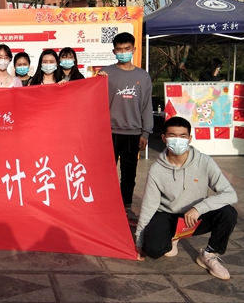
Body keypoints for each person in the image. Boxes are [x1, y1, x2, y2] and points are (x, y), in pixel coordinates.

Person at [135, 116, 238, 280]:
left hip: (196, 216)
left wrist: (199, 208)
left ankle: (209, 254)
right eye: (172, 135)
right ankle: (173, 237)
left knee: (228, 213)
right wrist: (139, 241)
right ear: (164, 138)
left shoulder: (204, 162)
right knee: (153, 250)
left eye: (182, 136)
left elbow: (230, 194)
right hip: (169, 215)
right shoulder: (156, 170)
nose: (178, 140)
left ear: (190, 138)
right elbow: (149, 205)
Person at [99, 32, 153, 225]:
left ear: (134, 49)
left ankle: (126, 207)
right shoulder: (105, 73)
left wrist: (146, 132)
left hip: (133, 133)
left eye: (127, 49)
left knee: (129, 175)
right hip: (109, 133)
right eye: (119, 49)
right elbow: (94, 99)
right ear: (114, 51)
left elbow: (146, 106)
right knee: (106, 174)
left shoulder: (143, 76)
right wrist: (98, 80)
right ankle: (105, 208)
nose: (123, 52)